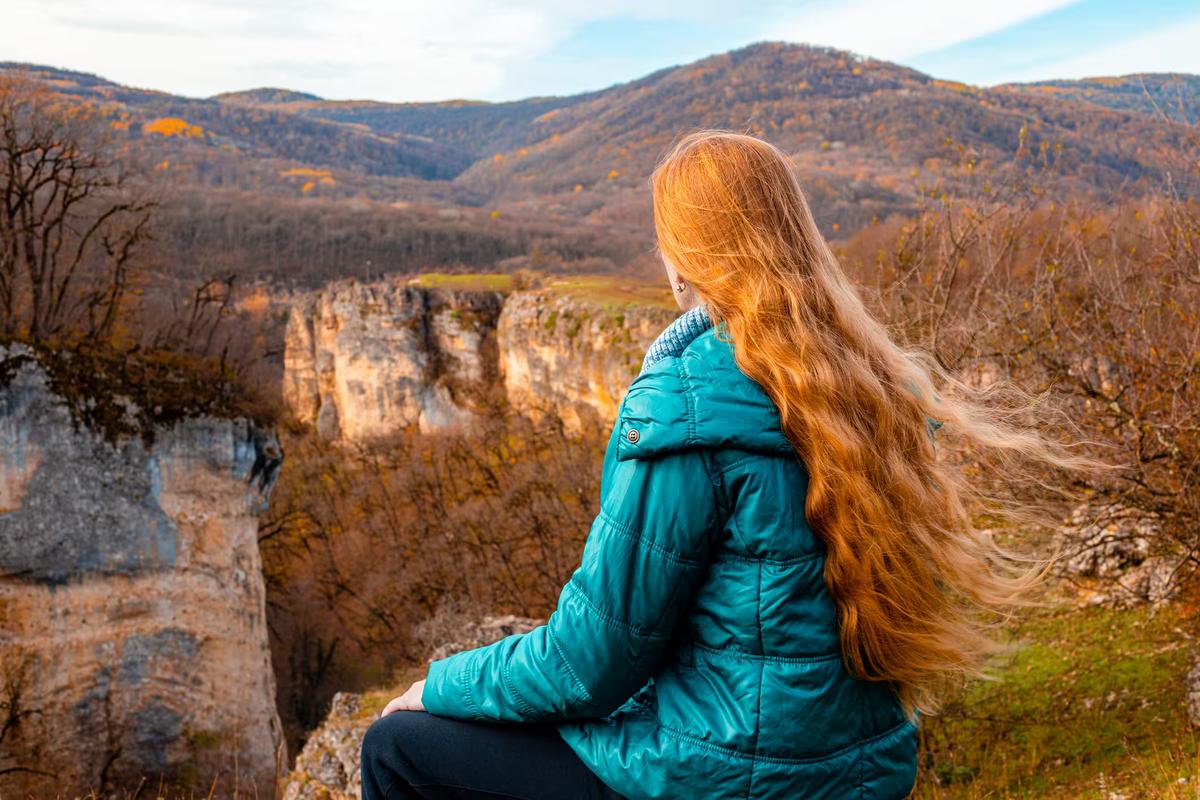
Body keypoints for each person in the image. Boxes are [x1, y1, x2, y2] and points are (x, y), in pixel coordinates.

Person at [360, 129, 1090, 799]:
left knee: (397, 748)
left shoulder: (689, 403)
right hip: (859, 768)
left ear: (683, 258)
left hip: (723, 777)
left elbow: (591, 661)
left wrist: (438, 684)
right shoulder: (869, 380)